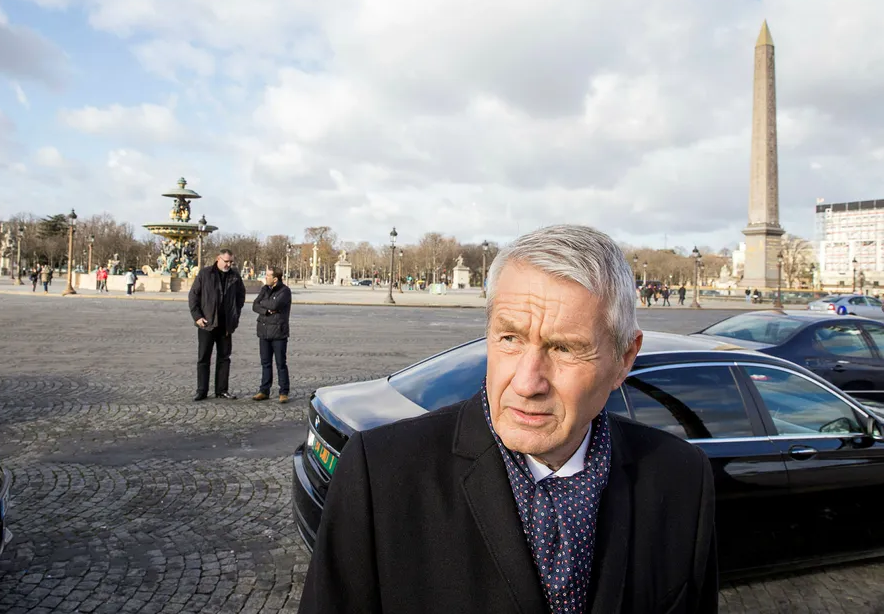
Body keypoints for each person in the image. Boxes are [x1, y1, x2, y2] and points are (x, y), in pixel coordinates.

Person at [299, 225, 718, 614]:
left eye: (564, 349)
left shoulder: (682, 478)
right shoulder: (381, 473)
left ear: (624, 359)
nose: (527, 382)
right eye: (510, 339)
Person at [188, 249, 246, 401]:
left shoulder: (235, 276)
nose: (228, 264)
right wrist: (197, 317)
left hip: (226, 325)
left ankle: (222, 390)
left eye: (231, 262)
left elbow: (241, 296)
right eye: (226, 261)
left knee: (224, 358)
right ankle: (202, 390)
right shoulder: (205, 274)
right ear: (218, 259)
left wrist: (235, 314)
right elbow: (193, 295)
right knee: (203, 358)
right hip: (207, 323)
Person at [252, 266, 291, 404]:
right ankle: (264, 390)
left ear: (275, 279)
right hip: (264, 331)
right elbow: (255, 305)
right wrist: (266, 310)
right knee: (265, 363)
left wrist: (264, 304)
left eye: (268, 275)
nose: (265, 277)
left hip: (278, 332)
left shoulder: (285, 291)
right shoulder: (264, 289)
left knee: (281, 363)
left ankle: (283, 391)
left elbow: (275, 305)